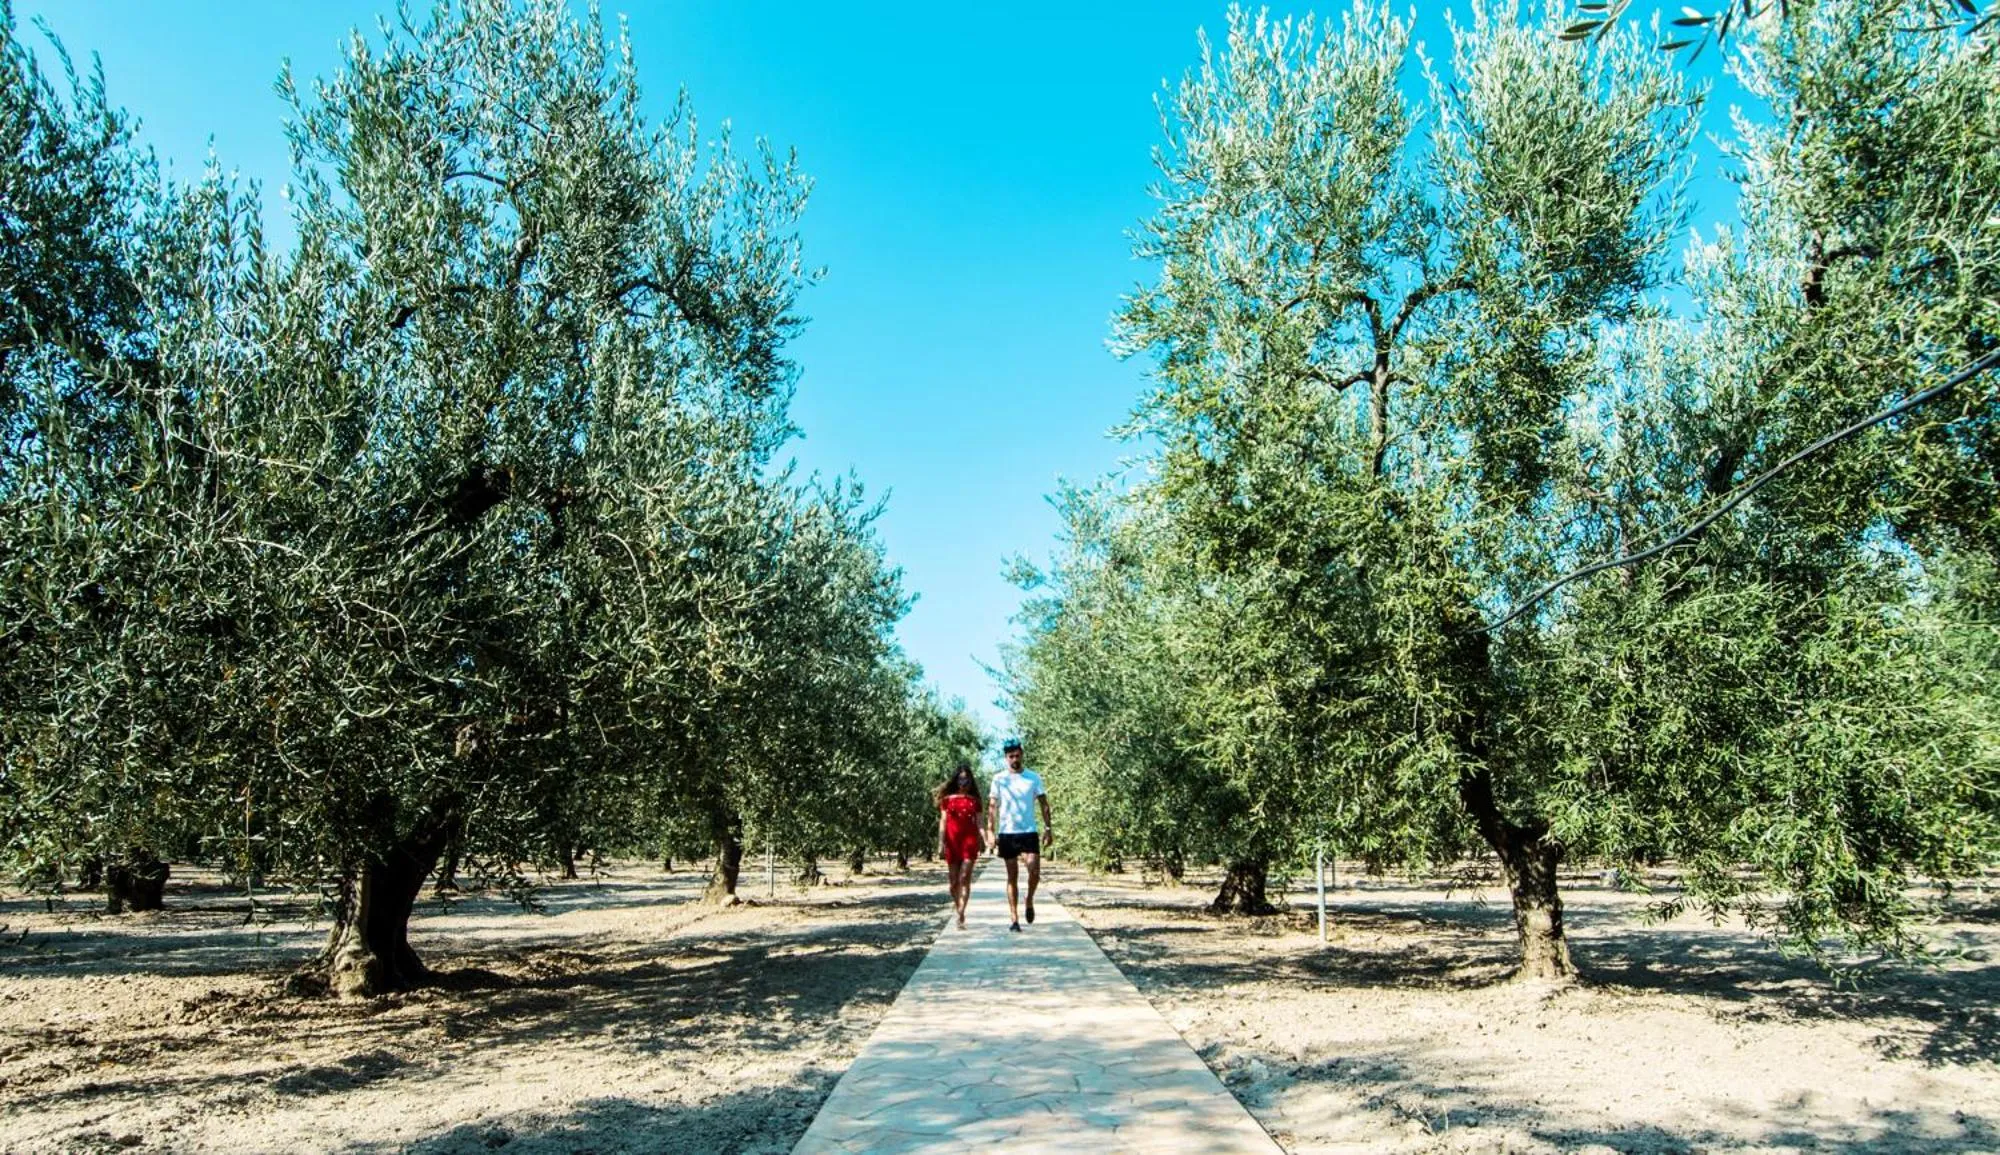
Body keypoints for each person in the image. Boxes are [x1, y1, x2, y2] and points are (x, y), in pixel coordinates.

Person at [985, 737, 1052, 932]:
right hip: (1007, 833)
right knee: (1012, 875)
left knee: (1034, 871)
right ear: (1006, 758)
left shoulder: (1033, 777)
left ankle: (1029, 899)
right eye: (1010, 756)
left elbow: (1044, 804)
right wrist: (990, 831)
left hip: (1029, 831)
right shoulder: (999, 779)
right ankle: (1014, 919)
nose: (1015, 759)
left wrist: (1048, 829)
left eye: (1017, 755)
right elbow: (992, 806)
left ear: (1022, 754)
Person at [936, 762, 983, 928]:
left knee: (964, 878)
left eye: (967, 780)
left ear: (970, 782)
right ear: (956, 781)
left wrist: (986, 838)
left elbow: (980, 824)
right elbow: (943, 822)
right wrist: (941, 843)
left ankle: (961, 914)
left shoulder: (975, 801)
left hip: (969, 843)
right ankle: (958, 908)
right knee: (954, 883)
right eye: (961, 780)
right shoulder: (947, 801)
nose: (964, 783)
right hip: (952, 842)